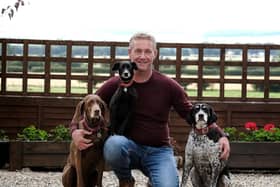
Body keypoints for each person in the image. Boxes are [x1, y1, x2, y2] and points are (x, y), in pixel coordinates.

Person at [70, 32, 230, 187]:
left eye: (148, 51)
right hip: (127, 148)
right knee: (113, 144)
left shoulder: (168, 85)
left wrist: (220, 135)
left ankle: (155, 179)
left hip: (158, 151)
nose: (143, 56)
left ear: (155, 54)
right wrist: (75, 131)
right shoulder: (115, 84)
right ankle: (126, 180)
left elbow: (190, 112)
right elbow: (86, 104)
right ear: (130, 53)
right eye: (138, 51)